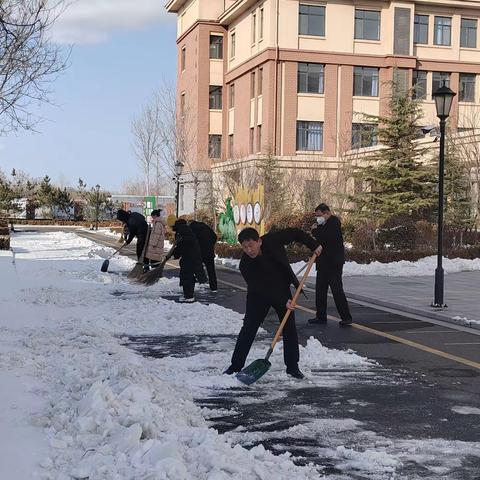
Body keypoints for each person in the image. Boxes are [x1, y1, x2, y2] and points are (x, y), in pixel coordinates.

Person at [224, 227, 322, 379]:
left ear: (259, 241)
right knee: (249, 328)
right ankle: (235, 366)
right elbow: (260, 288)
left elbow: (295, 232)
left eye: (251, 245)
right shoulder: (245, 265)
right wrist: (283, 301)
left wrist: (313, 245)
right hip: (259, 295)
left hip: (281, 288)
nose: (249, 250)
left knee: (289, 327)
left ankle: (292, 367)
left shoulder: (273, 240)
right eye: (244, 247)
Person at [309, 203, 352, 327]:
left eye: (320, 215)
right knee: (320, 290)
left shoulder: (334, 223)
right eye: (316, 216)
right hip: (323, 262)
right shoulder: (323, 225)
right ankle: (320, 316)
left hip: (333, 263)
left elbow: (326, 237)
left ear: (327, 213)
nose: (318, 218)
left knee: (337, 290)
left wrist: (315, 230)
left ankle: (346, 317)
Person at [172, 219, 207, 302]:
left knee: (187, 278)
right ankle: (188, 295)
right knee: (189, 277)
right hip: (193, 258)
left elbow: (180, 247)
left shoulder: (182, 235)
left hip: (188, 260)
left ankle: (189, 296)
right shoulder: (188, 232)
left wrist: (175, 254)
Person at [189, 220, 218, 292]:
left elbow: (191, 241)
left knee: (193, 269)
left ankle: (194, 284)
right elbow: (214, 236)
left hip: (199, 253)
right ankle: (214, 287)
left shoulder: (191, 229)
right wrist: (210, 244)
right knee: (211, 271)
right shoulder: (206, 227)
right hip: (209, 252)